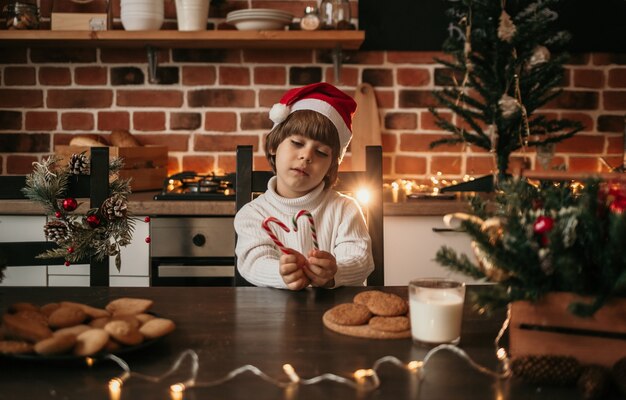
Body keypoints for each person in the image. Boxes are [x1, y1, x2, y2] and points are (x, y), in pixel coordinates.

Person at [234, 82, 375, 290]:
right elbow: (252, 262)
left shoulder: (345, 209)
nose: (307, 156)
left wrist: (335, 272)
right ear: (273, 146)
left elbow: (360, 259)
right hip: (272, 317)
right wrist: (281, 273)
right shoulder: (253, 214)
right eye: (297, 143)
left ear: (330, 167)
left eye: (321, 153)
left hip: (335, 313)